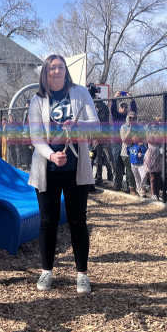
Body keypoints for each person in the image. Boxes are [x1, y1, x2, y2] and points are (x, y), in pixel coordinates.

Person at [28, 55, 98, 294]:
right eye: (51, 68)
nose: (56, 72)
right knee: (48, 222)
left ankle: (82, 275)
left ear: (66, 71)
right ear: (45, 73)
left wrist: (77, 126)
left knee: (78, 221)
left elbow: (95, 124)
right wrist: (51, 156)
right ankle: (47, 271)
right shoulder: (37, 100)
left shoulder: (80, 92)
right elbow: (36, 138)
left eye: (60, 67)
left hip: (75, 168)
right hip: (47, 168)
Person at [88, 83, 114, 186]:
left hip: (103, 135)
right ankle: (97, 178)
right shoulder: (89, 105)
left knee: (109, 157)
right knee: (96, 157)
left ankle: (115, 178)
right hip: (93, 136)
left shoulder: (101, 105)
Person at [111, 93, 137, 192]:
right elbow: (112, 108)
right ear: (119, 108)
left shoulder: (129, 119)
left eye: (126, 107)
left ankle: (128, 187)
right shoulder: (116, 116)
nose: (124, 108)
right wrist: (115, 98)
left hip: (128, 144)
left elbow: (134, 111)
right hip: (117, 144)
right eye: (122, 106)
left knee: (128, 167)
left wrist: (131, 99)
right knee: (118, 166)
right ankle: (117, 185)